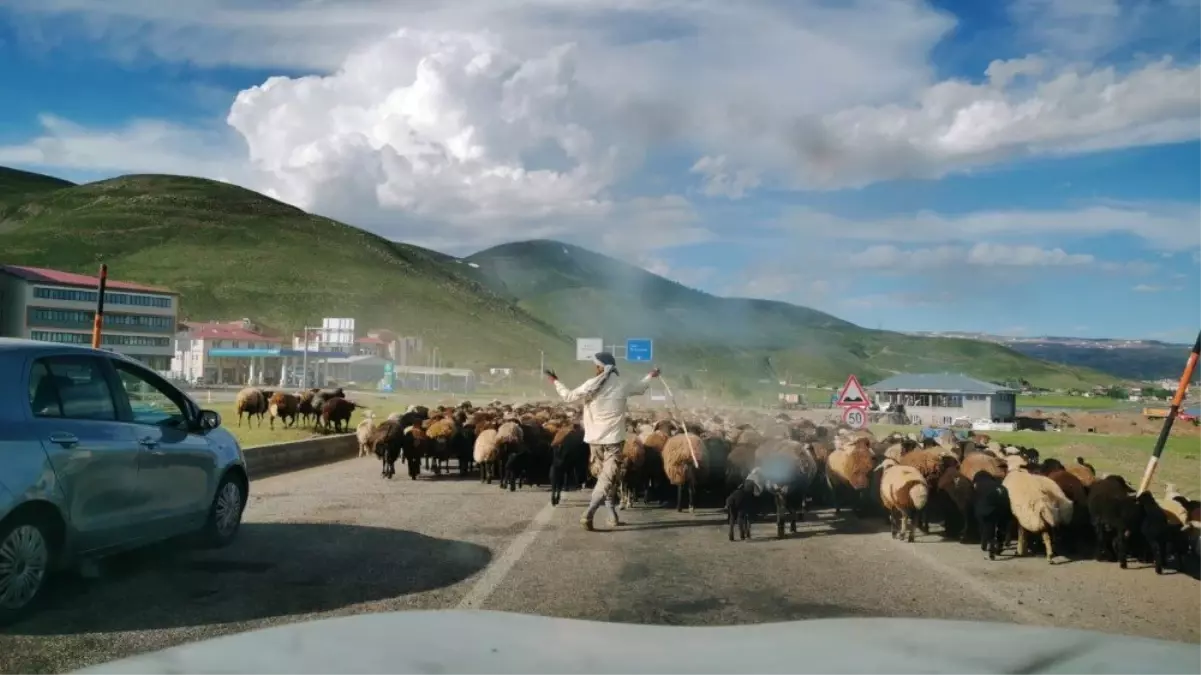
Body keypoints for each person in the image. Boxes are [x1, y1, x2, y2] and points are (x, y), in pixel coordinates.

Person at [546, 352, 659, 530]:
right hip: (613, 440)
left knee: (604, 477)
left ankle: (611, 514)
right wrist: (651, 375)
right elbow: (641, 387)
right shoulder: (622, 384)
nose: (595, 368)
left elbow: (568, 396)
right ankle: (589, 512)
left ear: (601, 367)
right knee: (607, 478)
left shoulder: (591, 384)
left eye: (596, 365)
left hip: (594, 440)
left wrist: (555, 381)